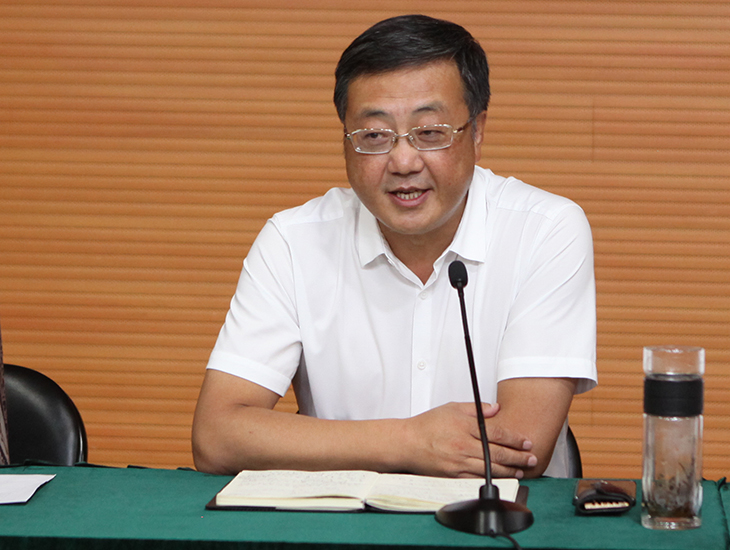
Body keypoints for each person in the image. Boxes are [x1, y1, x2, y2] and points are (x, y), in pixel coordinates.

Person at [192, 14, 596, 479]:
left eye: (430, 132)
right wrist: (409, 441)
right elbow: (217, 436)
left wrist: (345, 445)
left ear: (477, 131)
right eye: (375, 136)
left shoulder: (544, 230)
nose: (403, 161)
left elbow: (520, 447)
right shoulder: (293, 241)